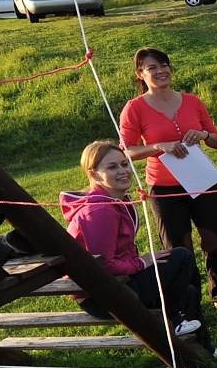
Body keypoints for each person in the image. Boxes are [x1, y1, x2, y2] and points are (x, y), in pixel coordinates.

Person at [118, 47, 217, 319]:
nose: (160, 71)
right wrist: (158, 146)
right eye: (152, 68)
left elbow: (216, 140)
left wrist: (203, 134)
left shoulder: (192, 101)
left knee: (215, 240)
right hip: (164, 188)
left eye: (164, 65)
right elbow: (126, 150)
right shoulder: (134, 108)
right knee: (178, 248)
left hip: (202, 181)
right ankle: (188, 303)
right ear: (140, 74)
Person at [61, 141, 207, 342]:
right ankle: (171, 320)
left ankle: (203, 348)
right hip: (102, 297)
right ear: (94, 175)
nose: (122, 171)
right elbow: (103, 265)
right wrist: (141, 262)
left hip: (119, 283)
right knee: (182, 256)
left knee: (189, 291)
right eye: (112, 167)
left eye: (124, 164)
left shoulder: (114, 202)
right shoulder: (100, 211)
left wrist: (142, 263)